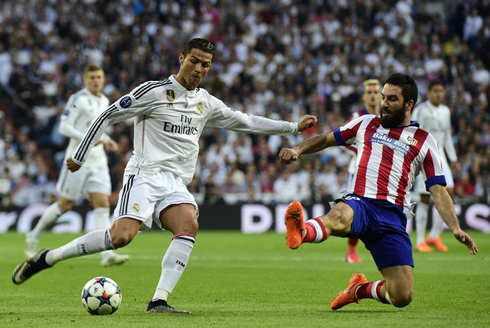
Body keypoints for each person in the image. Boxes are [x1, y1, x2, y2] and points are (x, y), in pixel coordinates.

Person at [12, 38, 317, 314]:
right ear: (181, 58)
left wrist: (292, 127)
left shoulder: (206, 103)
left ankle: (159, 300)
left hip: (175, 182)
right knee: (120, 237)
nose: (199, 69)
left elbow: (247, 121)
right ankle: (48, 257)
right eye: (194, 61)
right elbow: (107, 115)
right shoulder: (153, 92)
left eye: (206, 65)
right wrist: (79, 155)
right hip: (145, 174)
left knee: (188, 225)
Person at [279, 73, 478, 310]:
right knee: (338, 216)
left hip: (392, 217)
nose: (384, 103)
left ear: (409, 104)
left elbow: (438, 190)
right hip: (360, 202)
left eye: (392, 99)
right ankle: (301, 230)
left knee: (402, 296)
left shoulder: (425, 141)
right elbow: (325, 139)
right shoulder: (366, 123)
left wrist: (455, 227)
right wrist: (298, 149)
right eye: (383, 97)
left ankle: (358, 289)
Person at [24, 64, 129, 267]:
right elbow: (64, 127)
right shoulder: (78, 100)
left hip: (98, 160)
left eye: (99, 77)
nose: (96, 81)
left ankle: (105, 255)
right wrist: (88, 139)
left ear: (103, 79)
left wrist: (106, 139)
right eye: (92, 77)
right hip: (77, 160)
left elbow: (97, 128)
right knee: (65, 205)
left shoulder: (105, 101)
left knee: (102, 204)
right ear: (84, 80)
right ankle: (33, 236)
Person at [411, 80, 460, 252]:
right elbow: (414, 134)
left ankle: (434, 236)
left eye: (441, 90)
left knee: (449, 193)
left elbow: (447, 137)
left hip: (441, 159)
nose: (439, 93)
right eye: (436, 90)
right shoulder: (421, 110)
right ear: (430, 92)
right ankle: (419, 241)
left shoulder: (446, 111)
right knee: (424, 198)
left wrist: (453, 159)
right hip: (424, 158)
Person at [343, 79, 381, 263]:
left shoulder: (387, 116)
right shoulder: (356, 116)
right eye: (370, 92)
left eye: (376, 92)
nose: (373, 95)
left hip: (381, 170)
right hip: (358, 169)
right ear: (364, 95)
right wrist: (364, 150)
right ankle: (351, 250)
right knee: (355, 209)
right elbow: (344, 140)